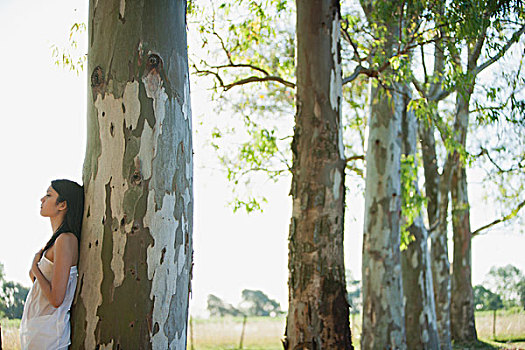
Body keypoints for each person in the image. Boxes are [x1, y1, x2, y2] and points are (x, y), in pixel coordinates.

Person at [20, 179, 84, 350]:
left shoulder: (66, 240)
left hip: (50, 337)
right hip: (38, 332)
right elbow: (41, 287)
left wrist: (35, 268)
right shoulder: (55, 241)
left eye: (48, 195)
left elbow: (56, 299)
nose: (42, 199)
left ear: (62, 205)